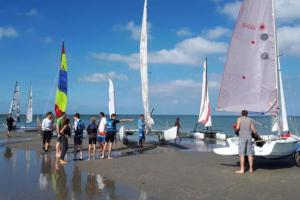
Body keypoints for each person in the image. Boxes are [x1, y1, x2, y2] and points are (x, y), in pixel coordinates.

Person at [235, 110, 256, 174]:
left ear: (241, 114)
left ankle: (242, 170)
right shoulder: (250, 120)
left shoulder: (239, 119)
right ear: (247, 114)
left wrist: (236, 130)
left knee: (242, 154)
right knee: (250, 154)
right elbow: (254, 131)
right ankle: (251, 169)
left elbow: (238, 127)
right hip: (249, 138)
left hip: (242, 138)